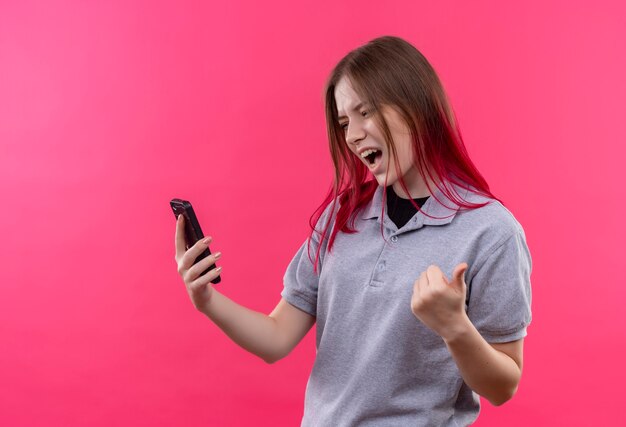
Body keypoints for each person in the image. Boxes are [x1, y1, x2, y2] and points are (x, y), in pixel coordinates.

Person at [174, 35, 532, 427]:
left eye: (366, 112)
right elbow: (276, 338)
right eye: (344, 122)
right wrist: (206, 299)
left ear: (417, 106)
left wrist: (455, 327)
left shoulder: (491, 232)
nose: (352, 135)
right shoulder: (340, 217)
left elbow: (503, 386)